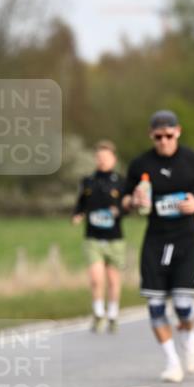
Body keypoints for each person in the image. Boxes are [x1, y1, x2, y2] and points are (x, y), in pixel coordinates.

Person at [122, 110, 194, 383]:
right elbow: (125, 202)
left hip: (186, 238)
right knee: (155, 305)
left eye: (168, 135)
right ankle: (171, 361)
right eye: (158, 136)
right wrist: (133, 202)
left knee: (182, 303)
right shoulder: (141, 164)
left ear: (178, 132)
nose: (163, 141)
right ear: (151, 136)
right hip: (155, 239)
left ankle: (189, 336)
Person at [72, 140, 126, 333]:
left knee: (113, 280)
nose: (102, 161)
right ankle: (98, 313)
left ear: (114, 159)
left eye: (106, 157)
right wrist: (77, 214)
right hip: (93, 236)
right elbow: (81, 203)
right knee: (96, 278)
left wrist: (118, 210)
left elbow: (127, 207)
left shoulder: (120, 182)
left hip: (114, 237)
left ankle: (113, 314)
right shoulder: (89, 181)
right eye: (100, 157)